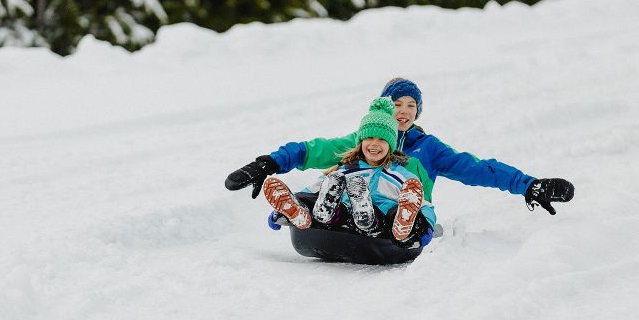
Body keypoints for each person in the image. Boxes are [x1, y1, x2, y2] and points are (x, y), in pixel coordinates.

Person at [225, 77, 574, 218]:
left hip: (398, 218)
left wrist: (529, 184)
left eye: (410, 105)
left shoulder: (429, 148)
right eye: (396, 103)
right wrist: (268, 162)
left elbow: (479, 168)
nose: (403, 110)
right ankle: (301, 212)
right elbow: (310, 150)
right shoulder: (363, 141)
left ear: (417, 111)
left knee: (395, 202)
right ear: (383, 108)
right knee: (330, 184)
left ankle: (394, 218)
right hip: (350, 213)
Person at [260, 97, 436, 248]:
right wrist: (288, 208)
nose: (374, 143)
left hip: (380, 228)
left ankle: (389, 221)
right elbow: (311, 190)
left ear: (391, 145)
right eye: (369, 138)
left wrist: (426, 225)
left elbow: (424, 205)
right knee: (312, 197)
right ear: (360, 141)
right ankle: (299, 212)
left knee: (395, 214)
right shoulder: (345, 169)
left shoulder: (400, 175)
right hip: (338, 222)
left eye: (382, 139)